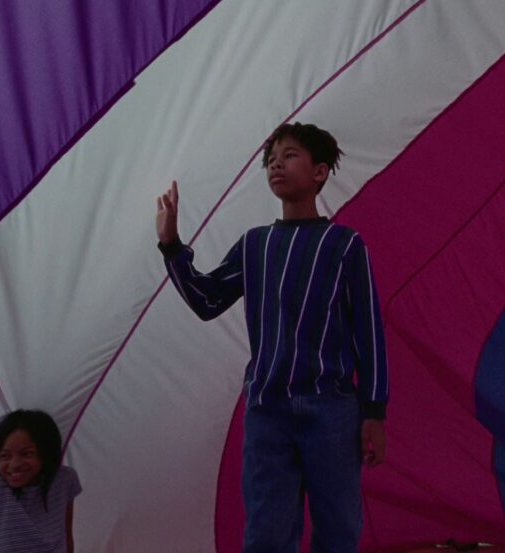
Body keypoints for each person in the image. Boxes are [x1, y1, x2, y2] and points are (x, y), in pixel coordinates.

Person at [155, 122, 388, 552]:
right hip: (268, 410)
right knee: (267, 532)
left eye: (290, 155)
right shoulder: (255, 245)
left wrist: (373, 413)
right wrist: (171, 246)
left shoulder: (344, 245)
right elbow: (206, 301)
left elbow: (368, 333)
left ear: (319, 172)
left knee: (338, 529)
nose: (276, 163)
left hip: (331, 409)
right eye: (270, 159)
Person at [0, 409, 82, 553]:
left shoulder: (64, 480)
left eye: (26, 453)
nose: (14, 464)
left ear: (45, 453)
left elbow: (66, 536)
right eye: (5, 456)